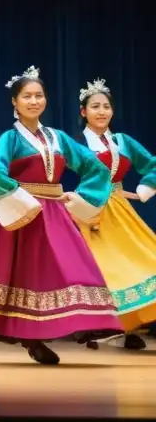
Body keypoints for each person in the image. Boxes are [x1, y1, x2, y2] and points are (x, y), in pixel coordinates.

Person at [0, 66, 122, 364]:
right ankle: (32, 338)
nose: (34, 101)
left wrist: (79, 197)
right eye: (27, 97)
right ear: (15, 102)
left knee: (75, 269)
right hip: (27, 214)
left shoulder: (57, 138)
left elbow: (95, 167)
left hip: (56, 213)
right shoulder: (10, 139)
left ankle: (82, 323)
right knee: (31, 277)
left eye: (39, 96)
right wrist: (21, 197)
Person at [76, 78, 156, 349]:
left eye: (106, 106)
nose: (101, 111)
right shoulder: (73, 143)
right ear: (83, 112)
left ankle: (128, 325)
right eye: (95, 106)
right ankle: (101, 326)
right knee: (100, 267)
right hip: (86, 210)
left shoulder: (122, 142)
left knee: (137, 261)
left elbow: (152, 166)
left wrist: (143, 191)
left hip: (119, 210)